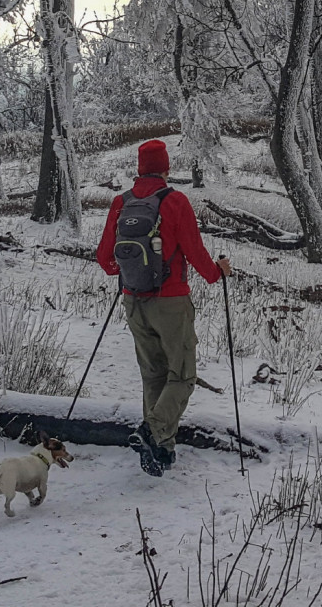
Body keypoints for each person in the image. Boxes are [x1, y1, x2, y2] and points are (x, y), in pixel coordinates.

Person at [96, 139, 228, 476]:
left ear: (140, 168)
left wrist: (128, 273)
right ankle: (152, 432)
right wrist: (217, 273)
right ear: (166, 168)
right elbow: (195, 252)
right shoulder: (174, 201)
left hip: (133, 300)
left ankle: (161, 452)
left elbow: (105, 259)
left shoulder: (121, 202)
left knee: (153, 374)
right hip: (170, 302)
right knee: (182, 375)